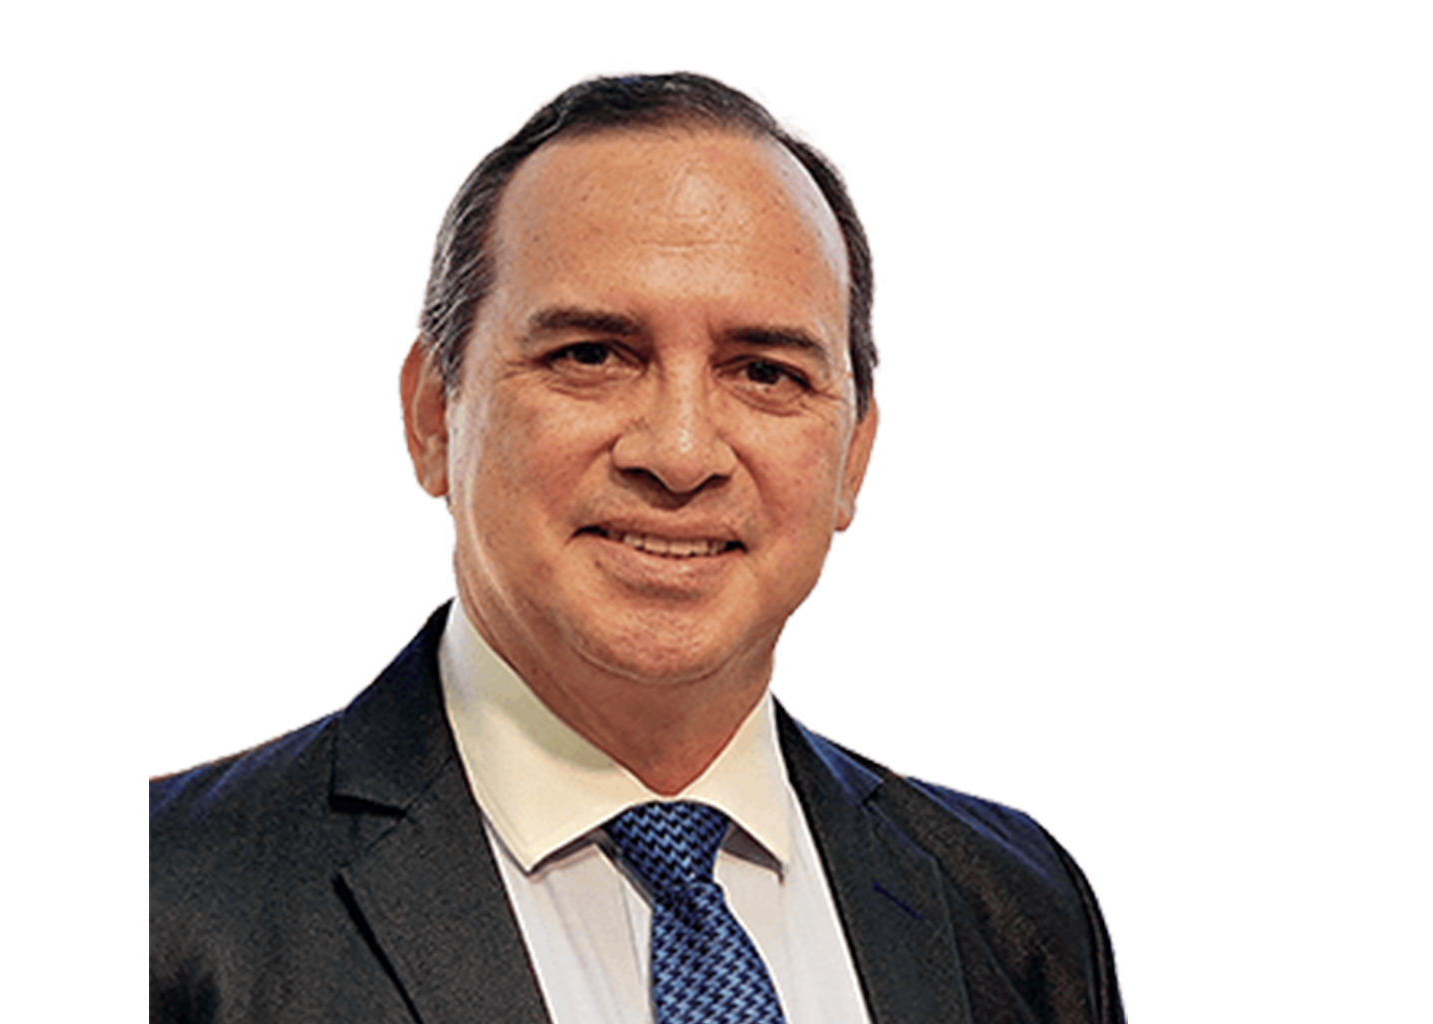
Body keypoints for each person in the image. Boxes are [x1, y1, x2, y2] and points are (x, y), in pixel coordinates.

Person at [151, 73, 1124, 1024]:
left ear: (853, 458)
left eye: (766, 372)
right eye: (591, 355)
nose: (681, 452)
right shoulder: (155, 902)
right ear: (434, 417)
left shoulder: (1016, 905)